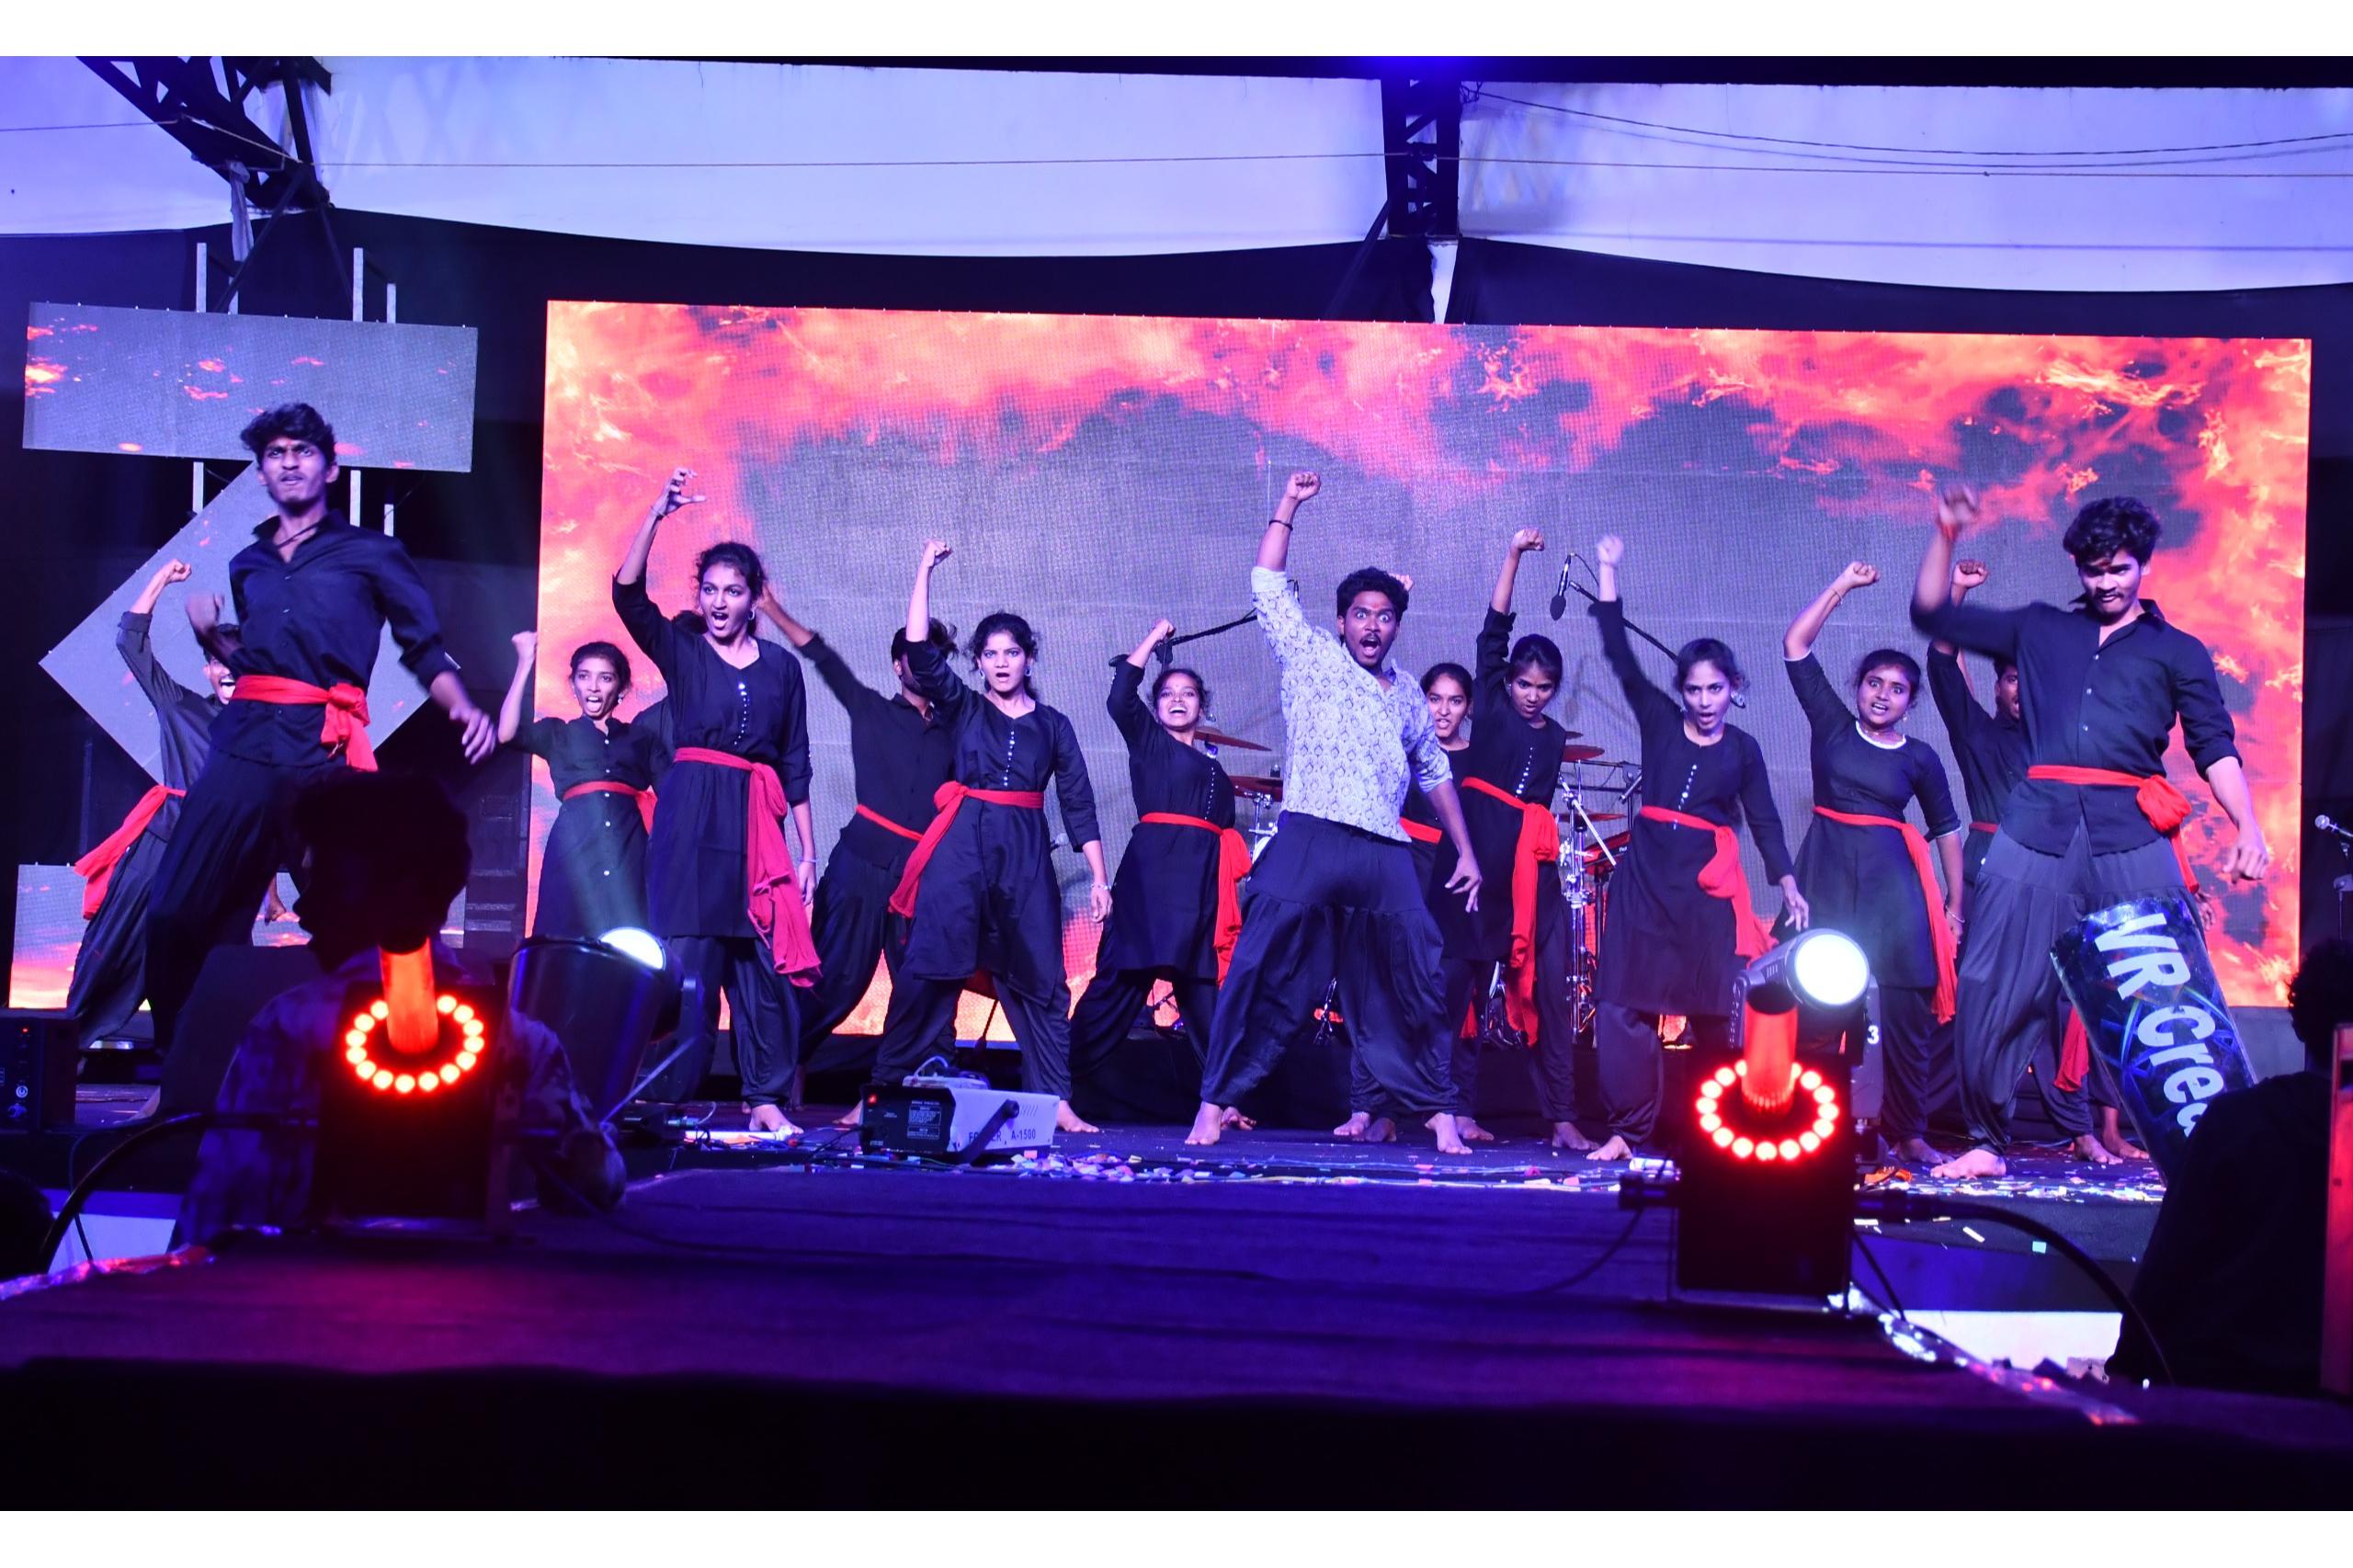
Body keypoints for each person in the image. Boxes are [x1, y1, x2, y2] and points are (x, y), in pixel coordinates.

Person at [1911, 488, 2268, 1179]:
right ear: (2079, 568)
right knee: (1989, 978)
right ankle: (1986, 1142)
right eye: (2094, 570)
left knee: (2168, 989)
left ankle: (2209, 1156)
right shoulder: (2041, 628)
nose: (2106, 583)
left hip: (2130, 828)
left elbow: (2214, 744)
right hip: (2035, 824)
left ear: (2143, 566)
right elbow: (1931, 614)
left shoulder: (2178, 651)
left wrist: (2247, 823)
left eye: (2120, 569)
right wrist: (1945, 533)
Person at [144, 403, 494, 1054]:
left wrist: (463, 706)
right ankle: (186, 1069)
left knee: (362, 918)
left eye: (302, 451)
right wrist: (209, 636)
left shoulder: (372, 553)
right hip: (245, 744)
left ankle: (396, 1056)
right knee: (177, 914)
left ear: (330, 468)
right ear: (261, 473)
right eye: (275, 454)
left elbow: (422, 646)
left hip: (322, 751)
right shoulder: (248, 563)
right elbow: (260, 664)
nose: (289, 463)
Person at [176, 769, 623, 1244]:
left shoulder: (287, 1028)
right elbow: (595, 1184)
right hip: (473, 1291)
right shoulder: (520, 1041)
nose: (304, 909)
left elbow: (215, 1212)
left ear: (400, 889)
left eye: (324, 881)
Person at [1187, 472, 1482, 1154]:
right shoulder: (1312, 655)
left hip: (1381, 849)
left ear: (1395, 625)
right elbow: (1267, 585)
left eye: (1385, 616)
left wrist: (1465, 849)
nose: (1373, 626)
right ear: (1342, 620)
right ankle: (1213, 1103)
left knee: (1414, 976)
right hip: (1313, 834)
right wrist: (1289, 504)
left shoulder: (1408, 695)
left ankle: (1438, 1113)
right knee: (1260, 966)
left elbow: (1435, 771)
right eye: (1362, 615)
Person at [873, 540, 1111, 1134]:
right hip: (963, 843)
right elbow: (921, 651)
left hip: (1024, 851)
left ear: (1029, 659)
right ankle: (885, 1088)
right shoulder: (963, 707)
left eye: (1012, 653)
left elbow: (1078, 802)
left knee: (1042, 976)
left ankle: (1055, 1100)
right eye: (990, 654)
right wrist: (923, 569)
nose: (1002, 663)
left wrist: (1099, 877)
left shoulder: (1053, 725)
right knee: (930, 962)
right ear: (978, 663)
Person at [613, 466, 820, 1135]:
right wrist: (656, 514)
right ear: (698, 597)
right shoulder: (683, 650)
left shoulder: (783, 668)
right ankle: (667, 1098)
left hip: (756, 823)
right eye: (710, 590)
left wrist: (808, 850)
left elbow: (794, 760)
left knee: (762, 964)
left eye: (734, 591)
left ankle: (764, 1098)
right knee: (689, 960)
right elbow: (627, 596)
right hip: (692, 815)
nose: (721, 602)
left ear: (755, 598)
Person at [1585, 534, 1803, 1162]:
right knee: (1623, 1004)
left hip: (1707, 892)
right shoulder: (1659, 719)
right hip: (1646, 879)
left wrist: (1787, 882)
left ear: (1733, 688)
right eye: (1694, 690)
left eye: (1715, 690)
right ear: (1681, 690)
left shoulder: (1744, 749)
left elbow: (1764, 820)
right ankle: (1627, 1132)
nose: (1705, 702)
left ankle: (1716, 1133)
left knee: (1713, 1013)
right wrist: (1607, 571)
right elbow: (1619, 653)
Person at [1927, 560, 2134, 1165]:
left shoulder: (2064, 747)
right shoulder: (1977, 734)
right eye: (2011, 679)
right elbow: (1942, 667)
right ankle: (1970, 1131)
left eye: (2030, 680)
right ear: (1998, 687)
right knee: (1986, 1005)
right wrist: (1957, 593)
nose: (2020, 690)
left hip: (2057, 879)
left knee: (2064, 1005)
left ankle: (2082, 1129)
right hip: (1990, 874)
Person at [1780, 561, 1964, 1165]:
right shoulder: (1833, 727)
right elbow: (1796, 644)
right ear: (1858, 688)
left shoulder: (1920, 757)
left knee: (1908, 1010)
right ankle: (1812, 1125)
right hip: (1829, 878)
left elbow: (1946, 831)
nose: (1883, 694)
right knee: (1819, 1008)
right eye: (1874, 683)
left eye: (1897, 688)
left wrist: (1955, 905)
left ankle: (1909, 1132)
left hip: (1895, 893)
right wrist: (1842, 586)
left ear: (1910, 702)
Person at [2107, 937, 2347, 1394]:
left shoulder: (2234, 1121)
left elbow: (2170, 1258)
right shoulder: (2238, 1121)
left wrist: (2126, 1368)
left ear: (2300, 1023)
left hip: (2217, 1387)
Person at [760, 594, 957, 1086]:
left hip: (918, 874)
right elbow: (823, 656)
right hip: (860, 864)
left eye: (933, 658)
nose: (924, 666)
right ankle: (782, 1070)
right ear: (897, 665)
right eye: (915, 656)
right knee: (837, 976)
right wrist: (772, 609)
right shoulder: (870, 709)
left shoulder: (957, 729)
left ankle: (912, 1083)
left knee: (921, 980)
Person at [1067, 623, 1251, 1095]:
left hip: (1198, 891)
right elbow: (1119, 697)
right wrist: (1153, 637)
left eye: (1188, 694)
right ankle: (1059, 1083)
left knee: (1204, 995)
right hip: (1152, 885)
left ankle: (1223, 1098)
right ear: (1155, 707)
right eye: (1167, 694)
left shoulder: (1214, 769)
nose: (1177, 700)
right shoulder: (1149, 742)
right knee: (1120, 984)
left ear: (1202, 706)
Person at [65, 561, 235, 1046]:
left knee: (203, 964)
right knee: (111, 946)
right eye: (219, 662)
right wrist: (160, 579)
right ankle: (63, 1047)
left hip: (214, 860)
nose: (228, 670)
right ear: (208, 670)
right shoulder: (182, 707)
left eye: (240, 663)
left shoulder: (263, 729)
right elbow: (131, 643)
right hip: (160, 848)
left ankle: (191, 1062)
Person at [1336, 661, 1472, 1142]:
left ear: (1468, 708)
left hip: (1448, 878)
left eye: (1455, 701)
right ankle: (1366, 1106)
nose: (1443, 710)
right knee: (1377, 987)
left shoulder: (1474, 760)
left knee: (1434, 994)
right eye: (1434, 699)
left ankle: (1438, 1107)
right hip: (1398, 864)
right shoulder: (1402, 745)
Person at [496, 632, 667, 940]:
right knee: (564, 934)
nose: (593, 686)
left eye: (605, 678)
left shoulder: (641, 739)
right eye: (584, 676)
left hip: (629, 849)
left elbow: (672, 793)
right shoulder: (558, 733)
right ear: (573, 683)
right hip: (573, 850)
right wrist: (524, 663)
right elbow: (507, 734)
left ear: (622, 688)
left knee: (629, 940)